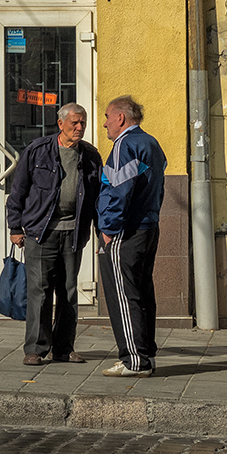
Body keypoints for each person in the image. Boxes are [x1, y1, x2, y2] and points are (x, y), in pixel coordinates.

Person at [5, 103, 102, 366]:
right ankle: (35, 349)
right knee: (40, 292)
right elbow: (18, 191)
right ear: (61, 124)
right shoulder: (38, 151)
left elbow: (97, 200)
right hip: (41, 233)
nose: (79, 128)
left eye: (82, 123)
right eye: (74, 123)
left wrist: (101, 232)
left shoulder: (90, 156)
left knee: (69, 292)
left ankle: (63, 348)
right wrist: (15, 227)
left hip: (73, 235)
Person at [97, 95, 167, 377]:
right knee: (141, 292)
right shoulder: (151, 142)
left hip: (127, 230)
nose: (104, 124)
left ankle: (134, 360)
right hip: (149, 226)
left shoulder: (125, 144)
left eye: (106, 117)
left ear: (120, 118)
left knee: (123, 295)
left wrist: (108, 229)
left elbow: (118, 190)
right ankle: (145, 353)